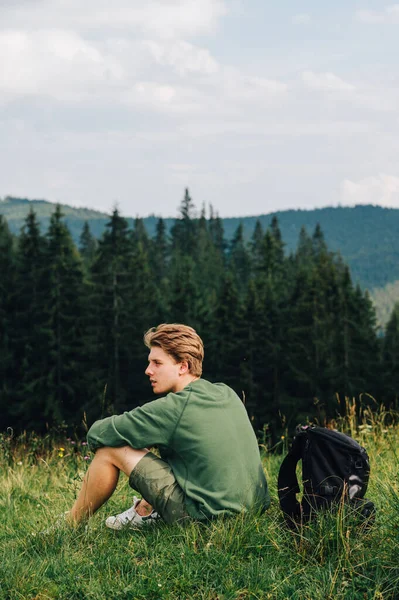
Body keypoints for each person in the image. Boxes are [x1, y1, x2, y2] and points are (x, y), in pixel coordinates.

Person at [69, 323, 270, 528]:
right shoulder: (226, 392)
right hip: (253, 510)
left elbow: (97, 433)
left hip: (207, 520)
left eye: (157, 363)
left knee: (110, 450)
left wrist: (134, 439)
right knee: (174, 444)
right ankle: (146, 510)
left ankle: (69, 524)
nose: (148, 370)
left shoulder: (174, 408)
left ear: (183, 366)